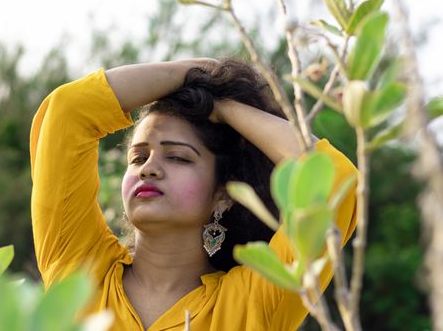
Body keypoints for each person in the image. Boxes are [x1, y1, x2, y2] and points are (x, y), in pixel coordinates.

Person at [30, 58, 357, 330]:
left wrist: (225, 107)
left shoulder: (251, 303)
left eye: (177, 157)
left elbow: (333, 180)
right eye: (138, 157)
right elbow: (67, 113)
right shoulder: (79, 273)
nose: (149, 168)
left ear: (222, 193)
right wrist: (193, 73)